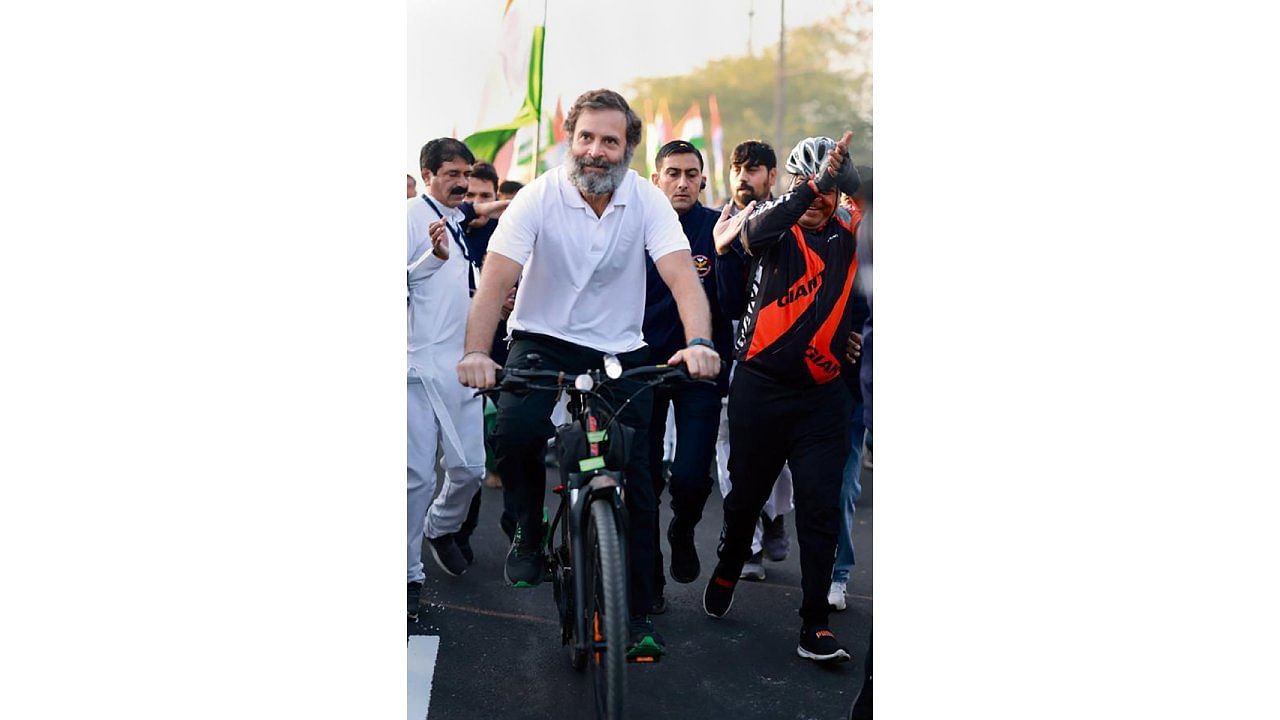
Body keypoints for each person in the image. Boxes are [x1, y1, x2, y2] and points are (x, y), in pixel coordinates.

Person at [456, 88, 721, 660]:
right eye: (586, 138)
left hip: (619, 350)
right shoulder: (537, 198)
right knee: (518, 431)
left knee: (640, 475)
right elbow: (497, 279)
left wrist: (699, 341)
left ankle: (640, 608)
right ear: (570, 140)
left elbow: (681, 278)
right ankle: (526, 526)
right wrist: (478, 351)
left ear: (626, 148)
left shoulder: (646, 200)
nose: (596, 151)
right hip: (541, 339)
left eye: (610, 140)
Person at [701, 132, 862, 663]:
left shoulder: (848, 231)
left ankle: (813, 623)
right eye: (807, 187)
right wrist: (809, 188)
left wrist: (840, 177)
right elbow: (760, 229)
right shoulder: (768, 224)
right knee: (746, 497)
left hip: (822, 398)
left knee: (818, 510)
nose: (818, 199)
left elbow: (862, 198)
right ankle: (728, 563)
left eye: (827, 191)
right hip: (760, 388)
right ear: (795, 183)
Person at [642, 140, 745, 614]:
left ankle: (683, 527)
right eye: (672, 173)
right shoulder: (634, 228)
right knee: (641, 482)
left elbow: (738, 300)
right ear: (655, 177)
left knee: (688, 478)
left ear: (703, 179)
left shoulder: (717, 228)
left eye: (690, 174)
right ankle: (646, 583)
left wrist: (728, 254)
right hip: (640, 368)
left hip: (701, 369)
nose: (682, 182)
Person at [407, 138, 487, 619]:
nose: (461, 181)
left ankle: (440, 526)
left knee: (470, 470)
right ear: (428, 173)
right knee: (415, 476)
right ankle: (407, 578)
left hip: (460, 367)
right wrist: (429, 260)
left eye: (465, 173)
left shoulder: (458, 221)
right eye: (451, 173)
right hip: (415, 369)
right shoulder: (408, 217)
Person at [713, 139, 794, 581]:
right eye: (737, 167)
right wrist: (725, 251)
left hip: (778, 358)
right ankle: (749, 546)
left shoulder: (790, 220)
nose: (744, 176)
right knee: (731, 452)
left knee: (780, 456)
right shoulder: (720, 222)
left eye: (754, 169)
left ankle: (777, 514)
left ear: (771, 175)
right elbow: (726, 302)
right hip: (731, 355)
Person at [828, 166, 872, 612]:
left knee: (844, 485)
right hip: (816, 378)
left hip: (861, 388)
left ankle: (838, 574)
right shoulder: (833, 230)